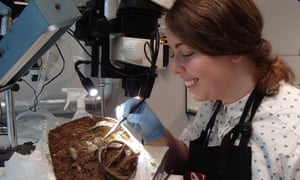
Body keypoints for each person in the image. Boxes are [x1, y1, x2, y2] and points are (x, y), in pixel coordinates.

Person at [116, 0, 300, 179]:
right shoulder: (216, 102)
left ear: (235, 48)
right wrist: (156, 134)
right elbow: (185, 158)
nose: (175, 68)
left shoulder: (291, 132)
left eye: (186, 53)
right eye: (174, 54)